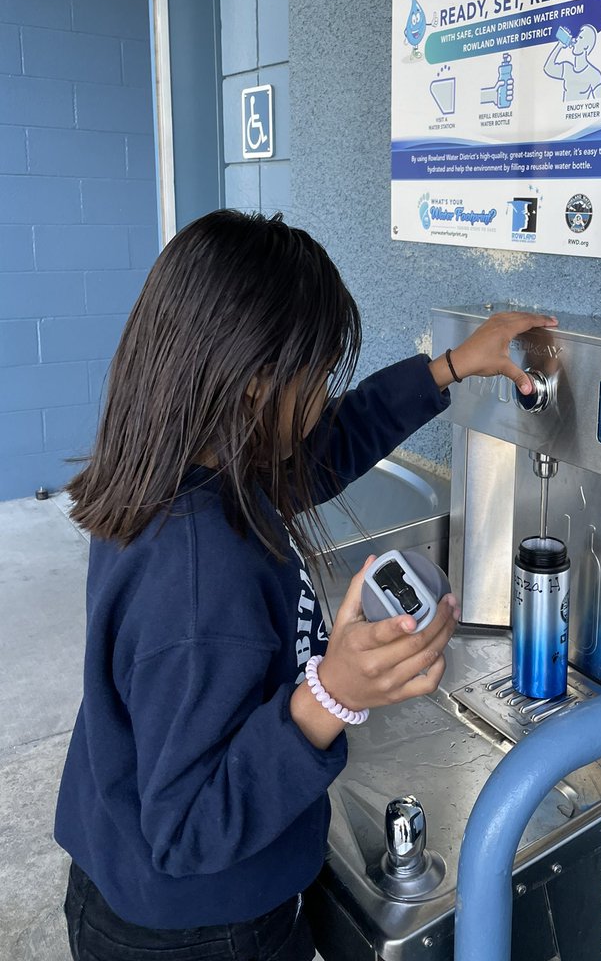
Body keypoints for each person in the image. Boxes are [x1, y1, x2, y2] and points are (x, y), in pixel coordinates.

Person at [55, 209, 555, 961]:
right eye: (317, 377)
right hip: (197, 931)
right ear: (254, 385)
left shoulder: (185, 470)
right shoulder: (201, 576)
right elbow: (187, 826)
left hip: (131, 880)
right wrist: (331, 694)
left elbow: (325, 451)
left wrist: (448, 369)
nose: (324, 398)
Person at [543, 23, 601, 101]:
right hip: (563, 112)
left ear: (586, 46)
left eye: (580, 38)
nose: (576, 39)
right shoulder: (567, 68)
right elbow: (548, 68)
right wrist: (559, 45)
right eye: (577, 37)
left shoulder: (594, 74)